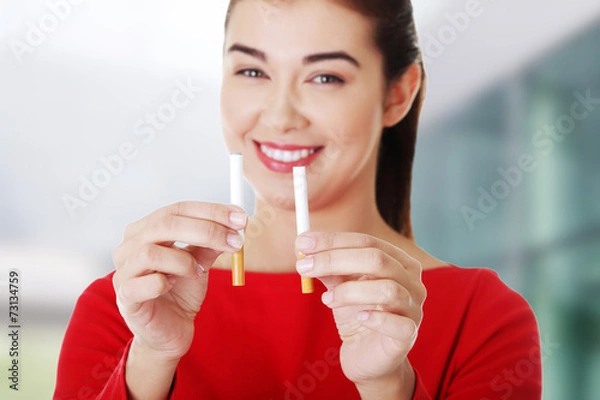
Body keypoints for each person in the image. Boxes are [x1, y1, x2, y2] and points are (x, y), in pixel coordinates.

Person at [54, 0, 542, 399]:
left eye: (325, 77)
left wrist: (387, 386)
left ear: (398, 94)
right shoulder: (128, 305)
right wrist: (150, 363)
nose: (281, 115)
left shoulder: (485, 319)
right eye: (251, 71)